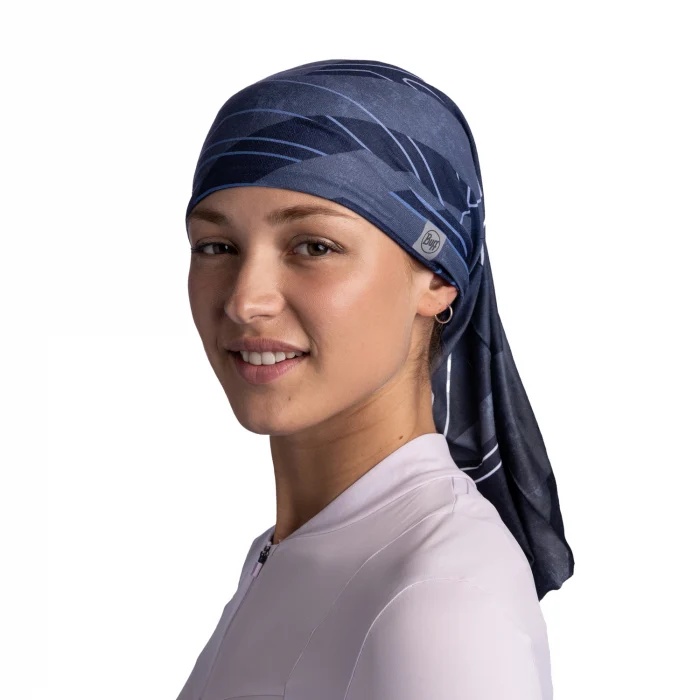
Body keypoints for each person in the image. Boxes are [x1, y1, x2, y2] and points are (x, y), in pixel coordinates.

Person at [176, 58, 574, 700]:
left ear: (437, 276)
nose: (245, 301)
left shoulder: (441, 601)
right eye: (215, 247)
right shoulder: (294, 552)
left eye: (314, 246)